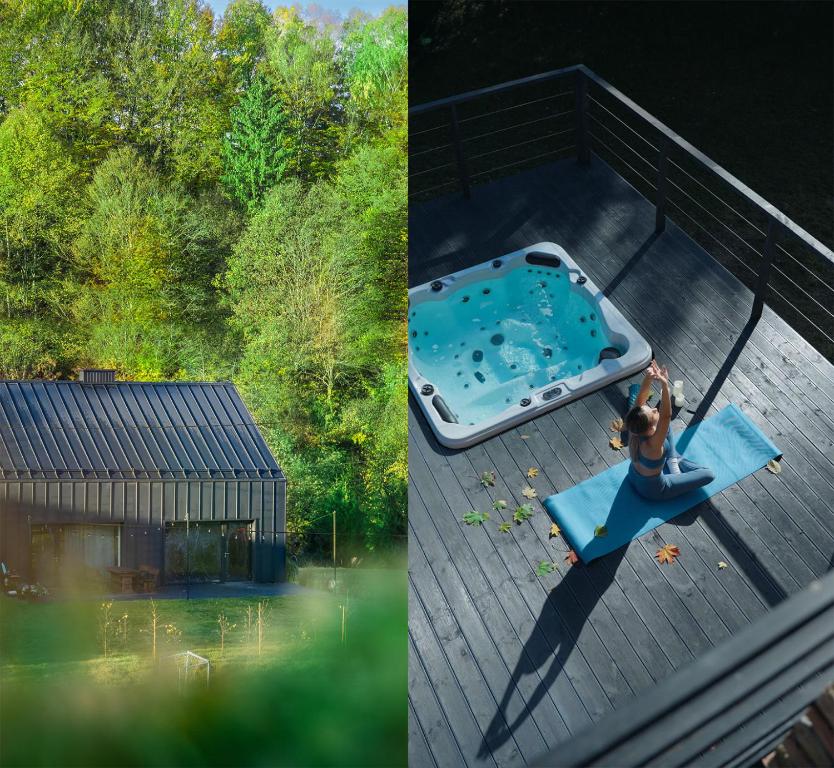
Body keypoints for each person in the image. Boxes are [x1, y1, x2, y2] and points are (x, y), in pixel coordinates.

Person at [625, 361, 715, 501]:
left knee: (665, 428)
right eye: (653, 412)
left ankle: (672, 459)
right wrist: (665, 384)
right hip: (653, 491)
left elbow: (640, 402)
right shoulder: (653, 446)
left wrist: (649, 377)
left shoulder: (633, 428)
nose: (655, 409)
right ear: (650, 428)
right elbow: (666, 416)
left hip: (633, 476)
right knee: (708, 474)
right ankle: (676, 461)